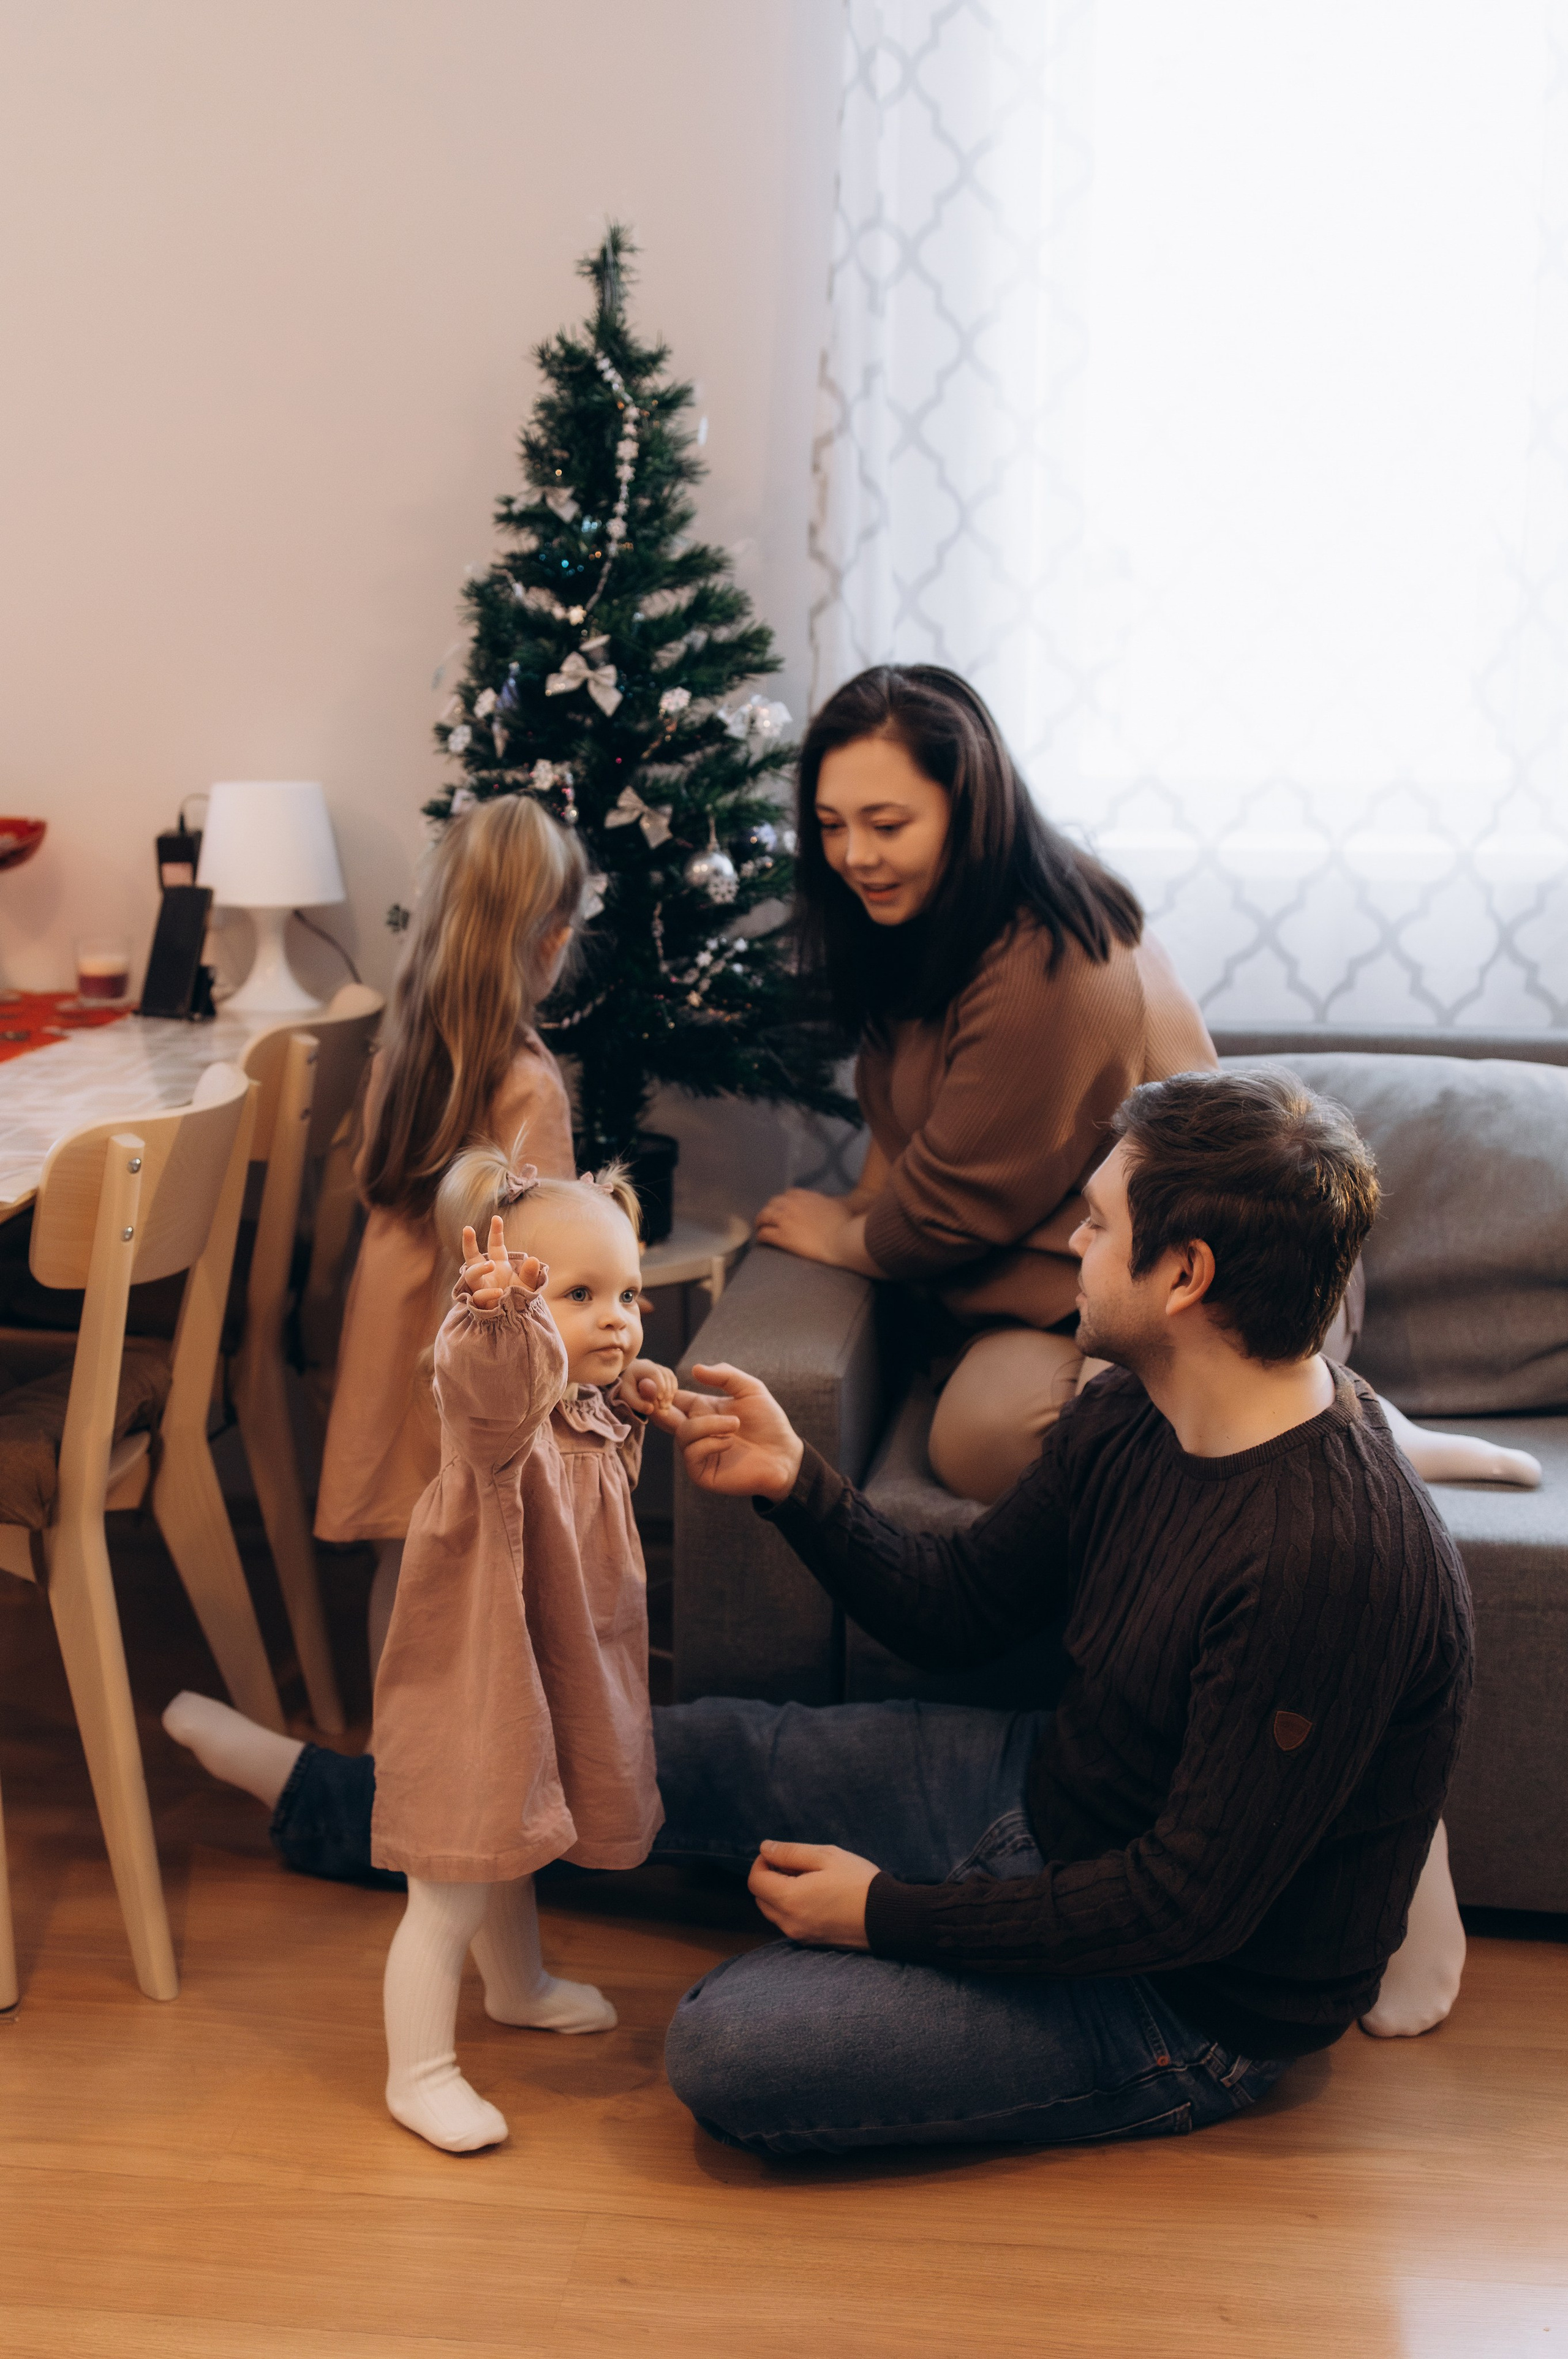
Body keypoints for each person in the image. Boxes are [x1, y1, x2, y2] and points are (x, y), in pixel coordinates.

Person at [166, 1071, 1473, 2150]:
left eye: (1095, 1224)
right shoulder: (1132, 1409)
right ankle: (332, 1797)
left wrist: (885, 1915)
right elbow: (958, 1611)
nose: (1071, 1244)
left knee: (731, 2048)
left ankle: (383, 1817)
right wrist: (794, 1484)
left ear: (1182, 1276)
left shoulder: (1327, 1559)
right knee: (601, 1739)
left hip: (1178, 1994)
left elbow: (1182, 1908)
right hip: (1054, 1791)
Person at [755, 663, 1217, 1506]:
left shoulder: (1048, 958)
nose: (856, 856)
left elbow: (951, 1204)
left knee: (979, 1437)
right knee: (975, 1428)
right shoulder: (931, 916)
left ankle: (1306, 1424)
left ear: (969, 811)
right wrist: (863, 1208)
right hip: (1071, 1285)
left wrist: (848, 1240)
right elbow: (908, 1121)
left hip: (1186, 1285)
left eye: (887, 824)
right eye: (830, 825)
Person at [369, 1157, 673, 2153]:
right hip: (478, 1671)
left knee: (515, 1837)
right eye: (578, 1295)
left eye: (627, 1293)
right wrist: (503, 1318)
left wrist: (628, 1407)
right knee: (452, 1878)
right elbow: (498, 1385)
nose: (617, 1318)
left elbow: (589, 1465)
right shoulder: (498, 1414)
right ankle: (419, 2072)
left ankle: (518, 1986)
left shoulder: (578, 1408)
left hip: (546, 1664)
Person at [313, 792, 584, 1676]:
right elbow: (541, 1255)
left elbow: (369, 1183)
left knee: (404, 1559)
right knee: (475, 1570)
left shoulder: (398, 1054)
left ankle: (393, 1761)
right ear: (550, 939)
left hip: (393, 1360)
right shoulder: (528, 1086)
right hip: (471, 1374)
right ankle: (456, 1760)